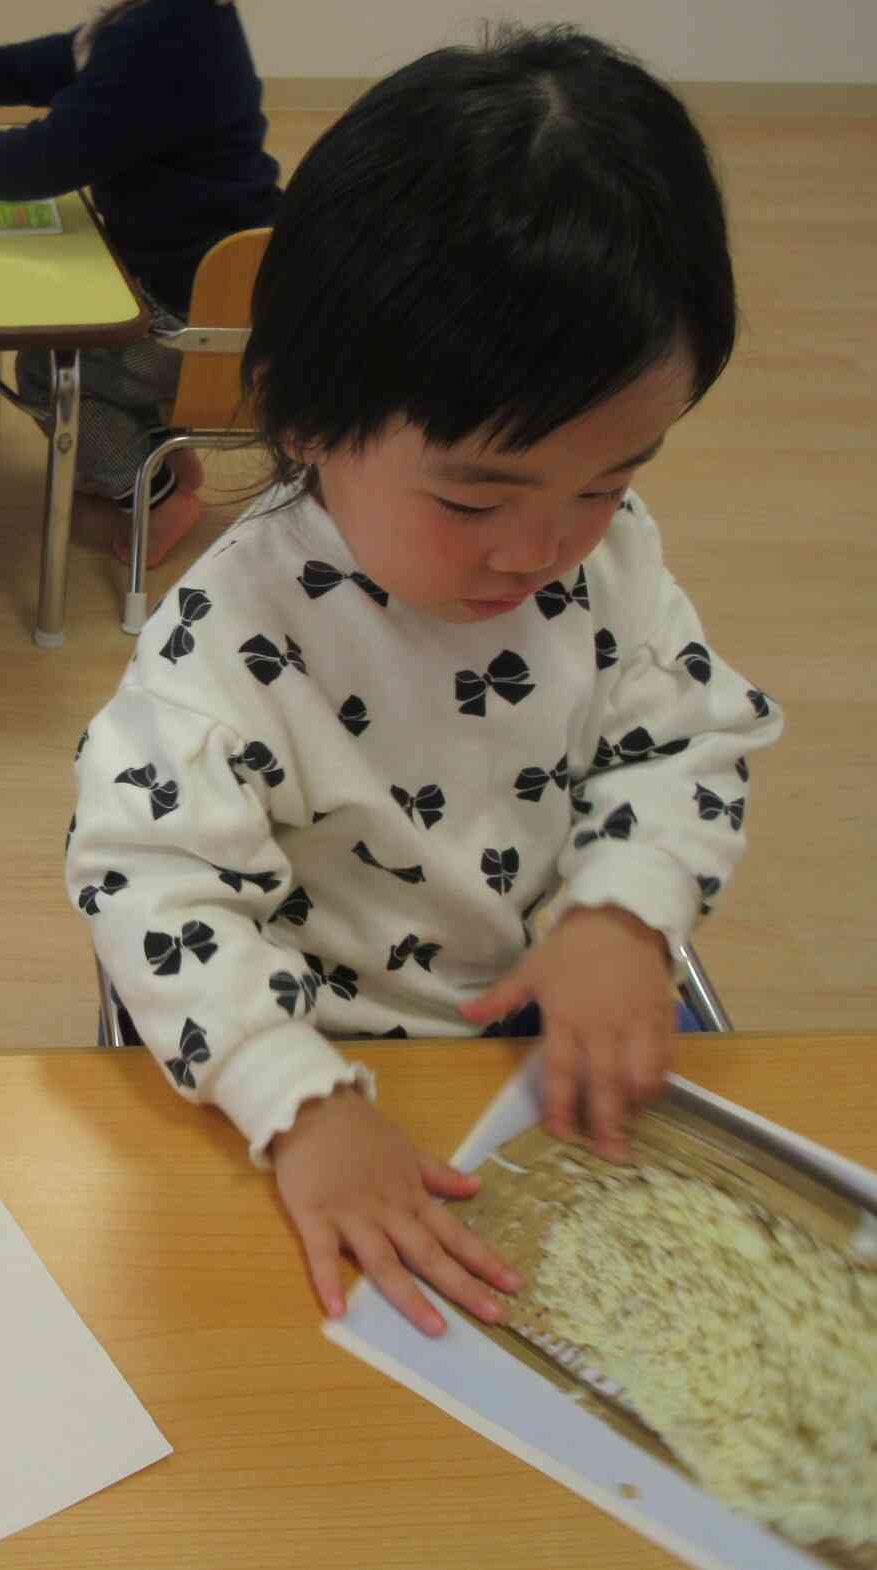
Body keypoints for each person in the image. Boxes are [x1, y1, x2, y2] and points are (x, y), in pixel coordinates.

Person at [66, 28, 782, 1336]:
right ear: (306, 418)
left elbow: (685, 741)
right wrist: (297, 1098)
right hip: (323, 1078)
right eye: (473, 494)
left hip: (547, 1065)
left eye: (612, 477)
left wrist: (622, 911)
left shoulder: (607, 565)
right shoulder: (233, 639)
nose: (543, 545)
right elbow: (144, 877)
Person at [0, 0, 279, 568]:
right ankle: (161, 458)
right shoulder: (173, 17)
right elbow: (69, 59)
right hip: (210, 279)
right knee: (77, 333)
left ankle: (155, 500)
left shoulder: (163, 34)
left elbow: (46, 159)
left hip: (197, 308)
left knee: (53, 371)